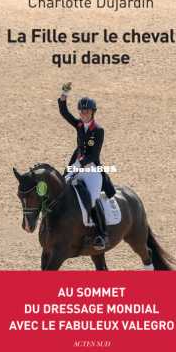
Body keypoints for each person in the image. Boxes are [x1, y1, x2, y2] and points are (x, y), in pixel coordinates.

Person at [58, 82, 116, 250]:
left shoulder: (98, 130)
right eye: (82, 112)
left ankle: (103, 235)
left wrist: (80, 163)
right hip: (76, 167)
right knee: (61, 189)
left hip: (91, 170)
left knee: (92, 200)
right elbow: (64, 112)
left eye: (87, 111)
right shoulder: (78, 125)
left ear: (93, 112)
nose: (84, 114)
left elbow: (94, 154)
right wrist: (64, 95)